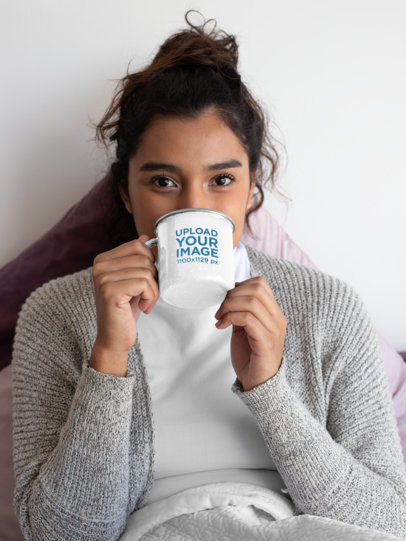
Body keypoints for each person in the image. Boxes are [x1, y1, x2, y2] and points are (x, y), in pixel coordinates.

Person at [12, 12, 406, 541]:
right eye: (163, 181)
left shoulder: (328, 307)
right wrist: (107, 361)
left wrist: (269, 387)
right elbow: (62, 535)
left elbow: (387, 522)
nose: (194, 206)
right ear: (126, 192)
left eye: (221, 179)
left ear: (251, 189)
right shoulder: (56, 313)